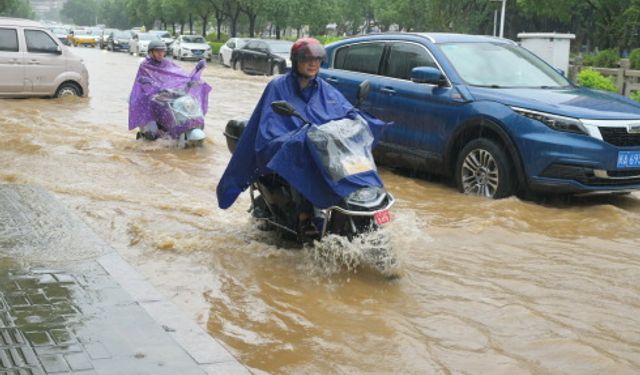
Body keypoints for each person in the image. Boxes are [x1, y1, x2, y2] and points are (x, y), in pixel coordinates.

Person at [216, 38, 387, 218]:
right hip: (290, 148)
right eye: (307, 59)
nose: (313, 64)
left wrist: (358, 120)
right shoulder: (278, 86)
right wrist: (300, 136)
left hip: (323, 152)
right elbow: (270, 129)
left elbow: (345, 111)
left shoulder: (325, 89)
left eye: (317, 59)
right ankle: (303, 218)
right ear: (296, 60)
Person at [128, 40, 211, 140]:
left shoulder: (168, 63)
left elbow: (179, 75)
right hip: (150, 99)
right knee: (152, 133)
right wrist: (150, 84)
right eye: (157, 51)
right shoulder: (145, 66)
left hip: (167, 96)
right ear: (151, 52)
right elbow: (142, 83)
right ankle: (148, 137)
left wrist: (192, 78)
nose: (160, 53)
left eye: (162, 51)